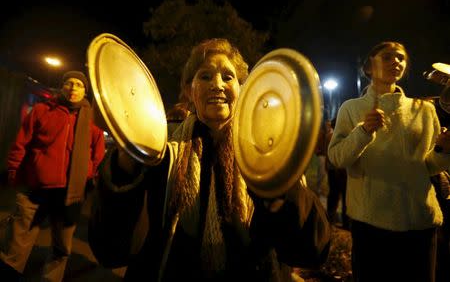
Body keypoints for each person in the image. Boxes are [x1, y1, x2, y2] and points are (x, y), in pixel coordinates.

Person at [88, 38, 331, 281]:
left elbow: (310, 251)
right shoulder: (161, 151)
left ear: (244, 89)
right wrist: (125, 166)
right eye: (205, 76)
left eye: (228, 77)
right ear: (188, 91)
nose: (217, 85)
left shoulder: (269, 151)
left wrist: (280, 192)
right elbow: (112, 250)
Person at [328, 41, 450, 282]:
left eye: (401, 58)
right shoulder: (351, 109)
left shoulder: (423, 110)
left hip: (420, 223)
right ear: (369, 67)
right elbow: (337, 157)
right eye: (387, 57)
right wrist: (363, 132)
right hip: (372, 225)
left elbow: (427, 166)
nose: (396, 61)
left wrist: (443, 150)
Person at [0, 70, 105, 282]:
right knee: (16, 243)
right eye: (69, 83)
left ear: (85, 91)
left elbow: (98, 155)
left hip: (69, 194)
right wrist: (14, 171)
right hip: (36, 188)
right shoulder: (42, 110)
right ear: (62, 86)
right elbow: (21, 144)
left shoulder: (92, 121)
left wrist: (88, 174)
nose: (73, 88)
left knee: (61, 248)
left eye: (79, 84)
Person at [325, 118, 348, 229]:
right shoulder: (337, 137)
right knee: (343, 197)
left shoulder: (329, 136)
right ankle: (345, 223)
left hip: (332, 170)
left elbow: (327, 154)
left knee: (333, 195)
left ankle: (330, 219)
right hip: (339, 172)